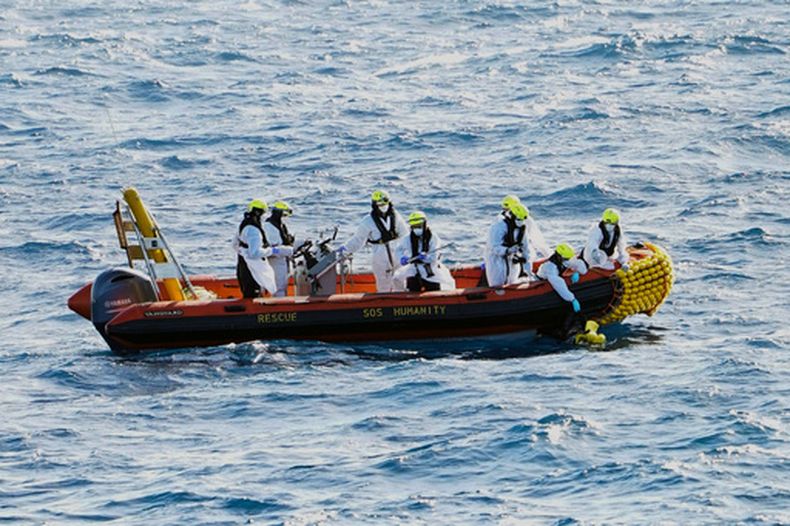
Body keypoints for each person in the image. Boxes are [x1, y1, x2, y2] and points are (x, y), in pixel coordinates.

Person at [337, 190, 409, 292]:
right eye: (380, 204)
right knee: (383, 285)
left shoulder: (396, 216)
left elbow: (405, 235)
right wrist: (345, 249)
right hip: (380, 257)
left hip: (397, 254)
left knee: (401, 282)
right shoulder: (367, 221)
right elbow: (358, 240)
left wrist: (407, 253)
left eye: (385, 203)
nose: (383, 206)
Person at [484, 202, 549, 286]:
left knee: (512, 281)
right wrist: (507, 250)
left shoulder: (522, 228)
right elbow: (493, 247)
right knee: (497, 283)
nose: (521, 222)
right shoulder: (499, 227)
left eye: (523, 220)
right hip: (497, 260)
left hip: (512, 259)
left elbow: (526, 249)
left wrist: (529, 270)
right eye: (519, 220)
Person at [393, 211, 455, 292]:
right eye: (414, 227)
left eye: (419, 226)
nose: (416, 229)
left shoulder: (433, 238)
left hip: (430, 269)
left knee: (438, 287)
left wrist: (426, 257)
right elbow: (398, 250)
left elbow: (434, 257)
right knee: (397, 278)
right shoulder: (407, 238)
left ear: (425, 224)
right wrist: (401, 258)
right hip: (414, 268)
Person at [233, 199, 278, 298]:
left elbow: (235, 244)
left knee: (246, 287)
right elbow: (254, 253)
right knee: (253, 289)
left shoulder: (244, 224)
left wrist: (242, 252)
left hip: (242, 260)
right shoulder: (254, 231)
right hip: (252, 265)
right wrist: (273, 251)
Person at [537, 243, 588, 312]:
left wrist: (576, 272)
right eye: (567, 259)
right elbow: (559, 285)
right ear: (559, 257)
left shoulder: (565, 259)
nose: (569, 260)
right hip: (544, 278)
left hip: (559, 272)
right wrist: (572, 299)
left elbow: (577, 264)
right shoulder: (550, 268)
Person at [263, 200, 296, 297]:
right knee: (279, 288)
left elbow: (286, 242)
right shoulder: (269, 227)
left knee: (283, 286)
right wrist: (285, 250)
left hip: (283, 261)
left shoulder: (280, 226)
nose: (285, 218)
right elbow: (270, 249)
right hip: (276, 262)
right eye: (284, 215)